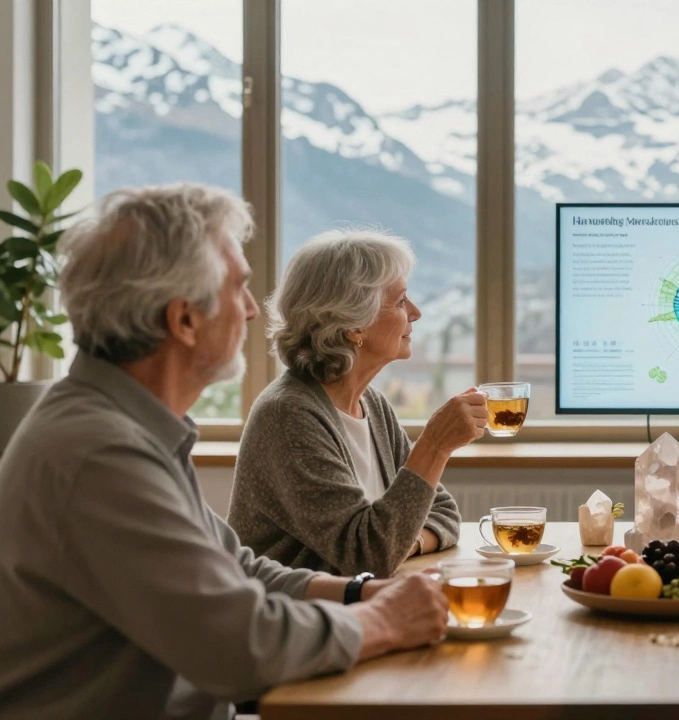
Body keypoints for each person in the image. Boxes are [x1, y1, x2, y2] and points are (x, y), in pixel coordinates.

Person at [0, 184, 453, 720]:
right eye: (239, 288)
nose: (251, 312)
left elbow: (235, 568)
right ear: (184, 319)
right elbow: (242, 647)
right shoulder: (98, 453)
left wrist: (361, 595)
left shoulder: (127, 426)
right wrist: (384, 622)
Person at [229, 230, 487, 579]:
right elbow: (369, 555)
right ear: (354, 325)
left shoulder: (372, 405)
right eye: (399, 302)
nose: (415, 312)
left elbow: (442, 513)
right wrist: (435, 446)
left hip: (361, 609)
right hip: (296, 621)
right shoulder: (289, 415)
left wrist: (400, 545)